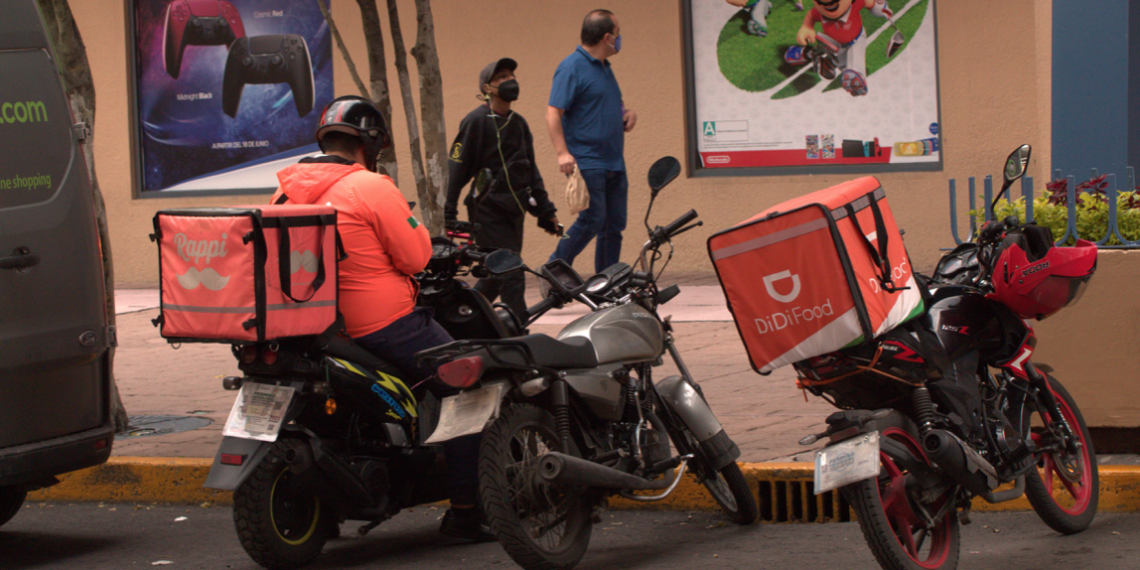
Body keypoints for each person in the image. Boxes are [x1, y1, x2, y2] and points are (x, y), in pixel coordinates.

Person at [271, 95, 493, 542]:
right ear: (369, 145)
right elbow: (415, 257)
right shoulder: (371, 187)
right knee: (468, 385)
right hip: (384, 326)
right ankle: (467, 512)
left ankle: (329, 510)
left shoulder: (283, 190)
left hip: (311, 329)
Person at [446, 58, 562, 321]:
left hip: (514, 210)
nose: (509, 80)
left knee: (495, 277)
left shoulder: (519, 124)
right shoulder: (475, 121)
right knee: (511, 273)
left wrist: (546, 212)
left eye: (511, 75)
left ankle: (462, 319)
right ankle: (518, 332)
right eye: (501, 77)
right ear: (487, 88)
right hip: (486, 211)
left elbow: (530, 172)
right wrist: (448, 213)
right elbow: (457, 169)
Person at [546, 9, 637, 275]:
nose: (620, 39)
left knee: (614, 225)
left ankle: (606, 284)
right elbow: (553, 112)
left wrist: (627, 113)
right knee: (592, 219)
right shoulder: (571, 67)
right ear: (607, 37)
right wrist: (562, 153)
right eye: (618, 34)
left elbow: (609, 105)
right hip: (587, 160)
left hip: (614, 161)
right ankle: (555, 266)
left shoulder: (605, 69)